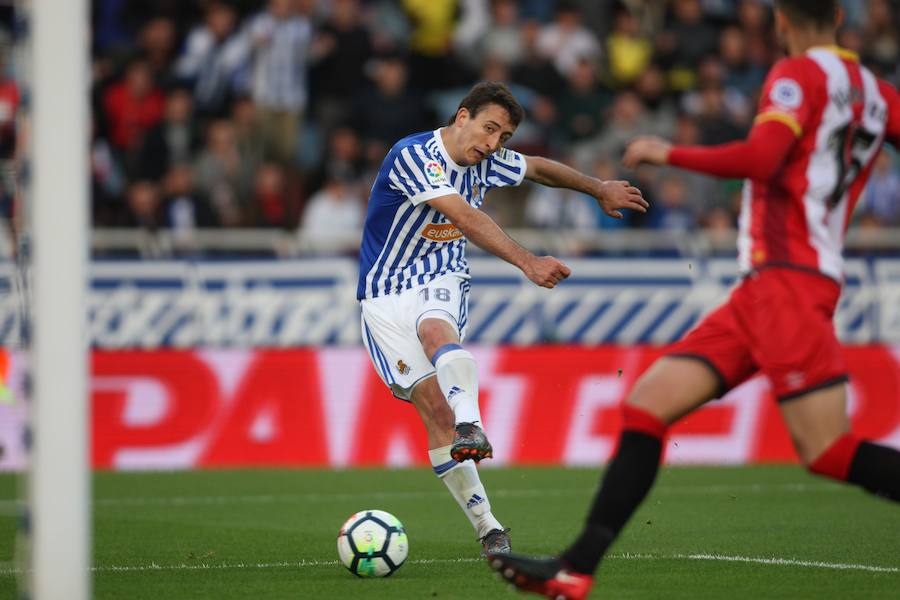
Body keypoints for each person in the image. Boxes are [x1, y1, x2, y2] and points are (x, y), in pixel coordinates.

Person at [488, 1, 900, 597]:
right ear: (838, 15)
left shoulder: (795, 75)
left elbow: (762, 159)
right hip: (768, 287)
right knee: (648, 405)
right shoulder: (877, 94)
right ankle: (575, 569)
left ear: (782, 20)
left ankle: (575, 567)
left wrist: (666, 152)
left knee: (828, 449)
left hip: (788, 280)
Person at [358, 81, 646, 555]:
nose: (493, 145)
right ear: (462, 115)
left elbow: (538, 168)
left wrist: (598, 188)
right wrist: (528, 260)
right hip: (384, 293)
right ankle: (488, 525)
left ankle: (471, 426)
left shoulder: (487, 159)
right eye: (489, 129)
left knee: (436, 331)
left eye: (504, 136)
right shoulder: (414, 156)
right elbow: (467, 218)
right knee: (433, 411)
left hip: (441, 272)